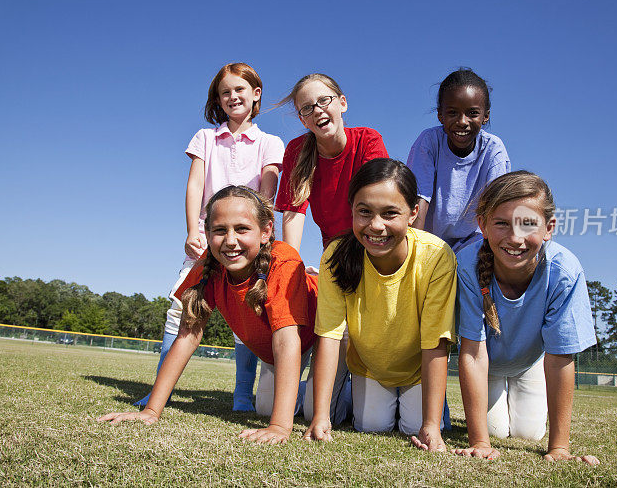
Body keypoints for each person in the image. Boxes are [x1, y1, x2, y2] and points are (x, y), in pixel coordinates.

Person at [101, 186, 333, 444]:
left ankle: (348, 387)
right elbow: (187, 336)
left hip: (327, 338)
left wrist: (280, 427)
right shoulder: (208, 265)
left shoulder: (283, 260)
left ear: (265, 231)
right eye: (220, 230)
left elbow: (287, 340)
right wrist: (151, 411)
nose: (230, 241)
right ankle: (306, 392)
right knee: (265, 408)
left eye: (242, 229)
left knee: (318, 412)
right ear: (208, 233)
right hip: (282, 352)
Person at [134, 62, 284, 411]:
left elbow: (267, 194)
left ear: (255, 94)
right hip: (209, 237)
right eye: (225, 92)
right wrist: (192, 230)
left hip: (247, 244)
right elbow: (195, 185)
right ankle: (161, 390)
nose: (233, 96)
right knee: (181, 309)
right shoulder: (205, 138)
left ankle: (242, 396)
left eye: (240, 90)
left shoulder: (269, 142)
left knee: (247, 313)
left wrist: (259, 237)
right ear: (218, 99)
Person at [304, 158, 456, 452]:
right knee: (370, 425)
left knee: (415, 428)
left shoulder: (436, 257)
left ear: (412, 214)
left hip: (417, 370)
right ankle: (339, 395)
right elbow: (329, 335)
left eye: (390, 214)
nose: (376, 226)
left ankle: (429, 410)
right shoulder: (336, 255)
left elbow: (436, 342)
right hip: (369, 366)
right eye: (364, 212)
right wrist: (320, 416)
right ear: (352, 209)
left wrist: (431, 426)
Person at [454, 171, 599, 464]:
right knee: (495, 432)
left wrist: (559, 448)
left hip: (529, 364)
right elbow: (472, 353)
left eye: (528, 224)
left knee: (528, 434)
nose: (515, 238)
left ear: (549, 228)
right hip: (489, 366)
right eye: (501, 224)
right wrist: (479, 442)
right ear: (482, 224)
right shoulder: (467, 265)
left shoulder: (563, 271)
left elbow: (559, 357)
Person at [275, 73, 388, 250]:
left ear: (342, 103)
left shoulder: (367, 140)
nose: (318, 110)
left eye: (324, 100)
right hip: (337, 254)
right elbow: (293, 211)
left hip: (375, 242)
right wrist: (290, 263)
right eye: (307, 108)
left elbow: (376, 203)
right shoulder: (296, 151)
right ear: (302, 120)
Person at [406, 68, 510, 254]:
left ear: (485, 116)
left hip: (474, 245)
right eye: (453, 113)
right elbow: (419, 199)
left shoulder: (493, 150)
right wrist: (414, 254)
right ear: (440, 115)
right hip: (429, 242)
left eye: (472, 113)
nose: (462, 121)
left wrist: (492, 255)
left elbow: (497, 207)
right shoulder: (429, 142)